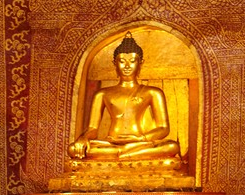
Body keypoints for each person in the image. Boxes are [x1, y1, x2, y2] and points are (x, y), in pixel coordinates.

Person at [68, 32, 181, 162]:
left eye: (132, 61)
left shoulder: (152, 92)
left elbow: (163, 128)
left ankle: (123, 156)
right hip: (111, 144)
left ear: (141, 63)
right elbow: (93, 128)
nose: (127, 66)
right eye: (121, 61)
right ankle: (127, 156)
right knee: (73, 149)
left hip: (140, 143)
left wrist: (140, 139)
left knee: (172, 147)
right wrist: (84, 138)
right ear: (114, 63)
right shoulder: (103, 93)